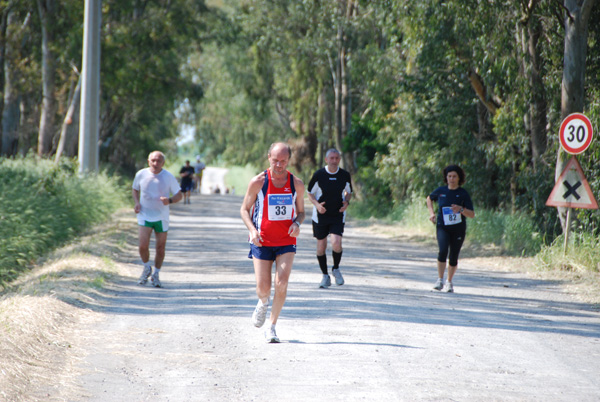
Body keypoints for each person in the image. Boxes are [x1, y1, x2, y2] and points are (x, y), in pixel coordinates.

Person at [240, 142, 305, 343]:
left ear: (289, 160)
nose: (279, 164)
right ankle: (262, 301)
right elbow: (244, 210)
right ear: (269, 157)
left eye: (283, 161)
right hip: (262, 241)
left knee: (282, 283)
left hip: (286, 240)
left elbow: (301, 212)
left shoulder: (296, 184)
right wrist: (252, 230)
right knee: (264, 288)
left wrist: (296, 223)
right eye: (275, 160)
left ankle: (272, 326)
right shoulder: (258, 182)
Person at [132, 151, 183, 288]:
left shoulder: (168, 177)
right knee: (143, 245)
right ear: (148, 161)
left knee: (160, 248)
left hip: (161, 217)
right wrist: (137, 202)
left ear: (163, 163)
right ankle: (146, 267)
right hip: (144, 214)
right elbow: (135, 189)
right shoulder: (141, 174)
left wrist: (170, 200)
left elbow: (179, 195)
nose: (155, 163)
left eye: (158, 161)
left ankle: (156, 274)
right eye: (153, 160)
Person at [307, 148, 353, 288]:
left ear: (339, 159)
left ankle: (336, 268)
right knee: (321, 247)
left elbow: (349, 192)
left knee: (336, 243)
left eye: (337, 158)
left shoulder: (344, 175)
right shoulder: (319, 175)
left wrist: (346, 202)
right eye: (331, 158)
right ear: (326, 159)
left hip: (337, 214)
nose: (334, 161)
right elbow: (310, 193)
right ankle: (325, 276)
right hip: (321, 216)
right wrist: (317, 205)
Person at [426, 165, 475, 293]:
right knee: (442, 251)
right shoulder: (441, 191)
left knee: (453, 256)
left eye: (454, 176)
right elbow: (429, 198)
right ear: (446, 178)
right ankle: (440, 280)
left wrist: (461, 209)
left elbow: (472, 214)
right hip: (442, 227)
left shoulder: (463, 193)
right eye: (449, 176)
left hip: (458, 229)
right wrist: (431, 213)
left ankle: (449, 282)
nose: (451, 179)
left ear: (459, 178)